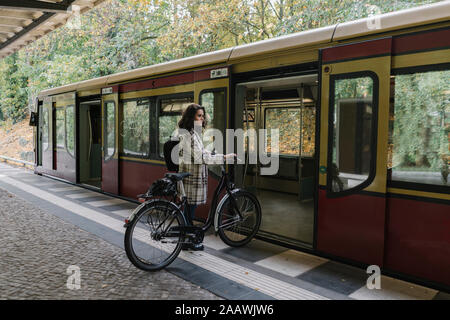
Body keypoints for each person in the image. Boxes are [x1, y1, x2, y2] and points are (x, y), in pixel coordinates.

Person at [175, 104, 236, 251]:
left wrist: (211, 153)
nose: (202, 119)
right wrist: (224, 157)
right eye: (199, 116)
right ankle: (187, 241)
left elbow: (198, 153)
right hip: (192, 178)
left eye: (203, 116)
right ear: (191, 117)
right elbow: (202, 158)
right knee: (189, 210)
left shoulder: (190, 133)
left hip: (190, 176)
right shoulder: (189, 135)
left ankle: (187, 239)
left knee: (189, 210)